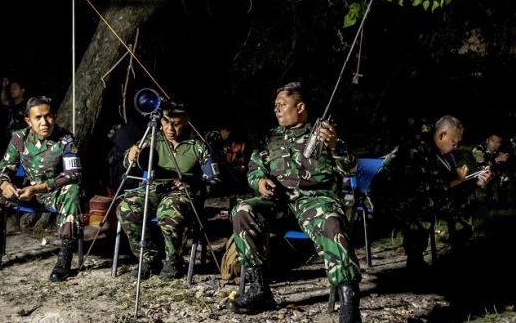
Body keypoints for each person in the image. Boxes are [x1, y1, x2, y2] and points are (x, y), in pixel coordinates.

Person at [229, 82, 362, 322]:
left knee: (333, 223)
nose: (277, 110)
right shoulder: (270, 137)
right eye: (275, 106)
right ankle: (259, 289)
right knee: (242, 210)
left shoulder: (324, 134)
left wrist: (334, 146)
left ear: (300, 106)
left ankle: (349, 303)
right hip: (279, 202)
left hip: (316, 201)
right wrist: (259, 182)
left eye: (282, 105)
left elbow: (350, 168)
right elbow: (254, 169)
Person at [0, 96, 82, 282]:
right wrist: (5, 184)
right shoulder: (20, 138)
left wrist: (38, 188)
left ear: (54, 116)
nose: (44, 122)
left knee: (72, 190)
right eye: (38, 118)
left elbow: (73, 173)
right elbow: (3, 168)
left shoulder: (66, 139)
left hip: (52, 192)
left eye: (48, 116)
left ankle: (65, 258)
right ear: (28, 121)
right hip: (25, 192)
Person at [370, 115, 493, 269]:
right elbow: (430, 187)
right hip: (388, 199)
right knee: (424, 204)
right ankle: (415, 260)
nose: (456, 146)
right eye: (454, 142)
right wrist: (457, 180)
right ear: (442, 135)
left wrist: (476, 181)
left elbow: (443, 184)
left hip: (411, 196)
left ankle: (460, 247)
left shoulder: (437, 152)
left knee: (452, 201)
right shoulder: (419, 149)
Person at [116, 104, 215, 280]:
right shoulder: (153, 140)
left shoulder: (198, 147)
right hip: (154, 189)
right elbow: (128, 163)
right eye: (165, 122)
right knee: (126, 207)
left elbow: (214, 180)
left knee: (169, 211)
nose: (170, 128)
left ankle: (173, 260)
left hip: (182, 193)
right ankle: (148, 258)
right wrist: (130, 155)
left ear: (186, 123)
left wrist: (192, 185)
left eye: (176, 123)